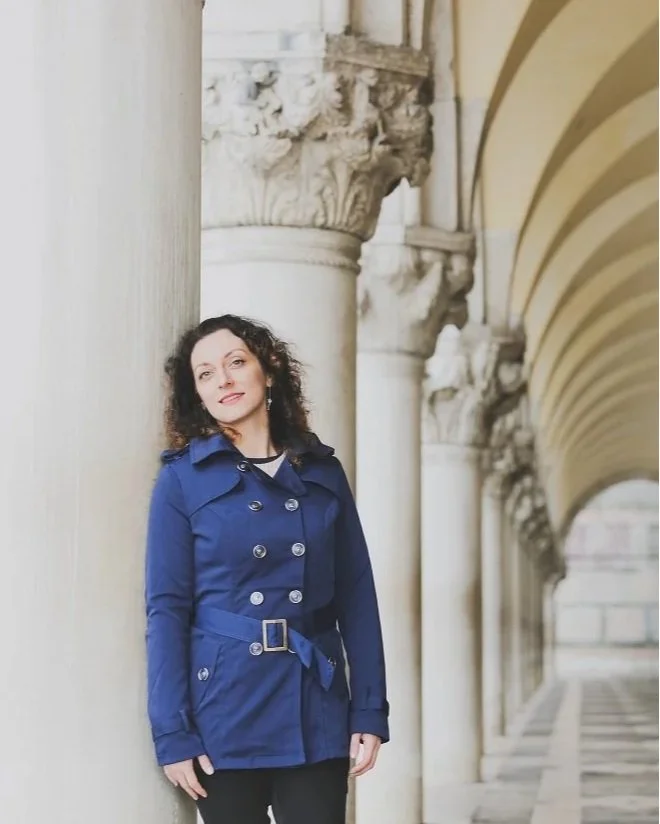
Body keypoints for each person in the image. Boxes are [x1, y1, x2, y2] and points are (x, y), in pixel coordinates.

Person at [145, 314, 389, 824]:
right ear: (198, 393)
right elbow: (166, 610)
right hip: (223, 710)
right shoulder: (182, 480)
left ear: (269, 370)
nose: (224, 380)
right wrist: (172, 732)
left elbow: (357, 596)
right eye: (206, 374)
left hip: (315, 705)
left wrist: (369, 709)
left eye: (236, 362)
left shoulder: (323, 472)